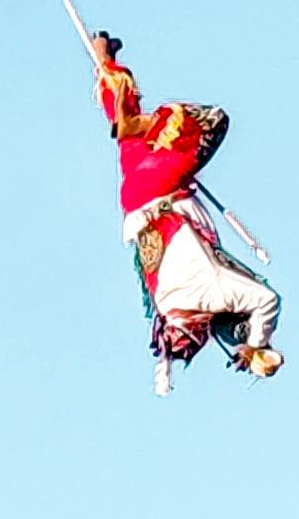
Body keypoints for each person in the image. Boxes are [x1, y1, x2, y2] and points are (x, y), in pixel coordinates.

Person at [90, 32, 282, 394]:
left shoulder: (212, 295)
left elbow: (267, 301)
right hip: (135, 199)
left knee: (211, 121)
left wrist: (256, 343)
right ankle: (107, 64)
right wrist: (255, 348)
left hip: (160, 186)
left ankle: (138, 120)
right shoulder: (164, 303)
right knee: (131, 141)